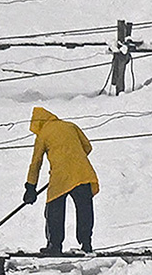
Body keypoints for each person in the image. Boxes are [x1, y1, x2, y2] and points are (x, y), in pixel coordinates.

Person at [22, 106, 99, 255]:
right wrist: (72, 159)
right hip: (83, 173)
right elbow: (87, 147)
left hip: (60, 177)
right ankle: (86, 243)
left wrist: (30, 187)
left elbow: (36, 162)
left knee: (54, 210)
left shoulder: (43, 134)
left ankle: (54, 245)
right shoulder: (70, 126)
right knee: (84, 209)